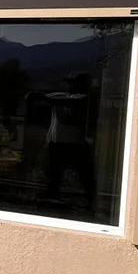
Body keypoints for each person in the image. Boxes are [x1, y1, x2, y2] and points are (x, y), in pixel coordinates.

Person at [44, 72, 95, 208]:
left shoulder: (82, 99)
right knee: (55, 173)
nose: (70, 86)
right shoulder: (62, 98)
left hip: (74, 142)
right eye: (70, 83)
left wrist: (46, 97)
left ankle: (91, 200)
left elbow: (67, 119)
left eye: (73, 83)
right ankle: (53, 198)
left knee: (83, 173)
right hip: (58, 141)